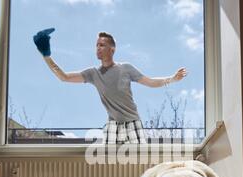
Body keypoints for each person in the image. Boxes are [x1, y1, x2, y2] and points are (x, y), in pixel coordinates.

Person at [33, 28, 187, 144]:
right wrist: (46, 55)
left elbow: (150, 82)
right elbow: (64, 77)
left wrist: (172, 79)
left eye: (102, 45)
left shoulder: (126, 68)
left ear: (112, 49)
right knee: (108, 164)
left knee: (140, 161)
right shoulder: (93, 73)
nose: (98, 48)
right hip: (113, 125)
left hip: (133, 123)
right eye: (96, 45)